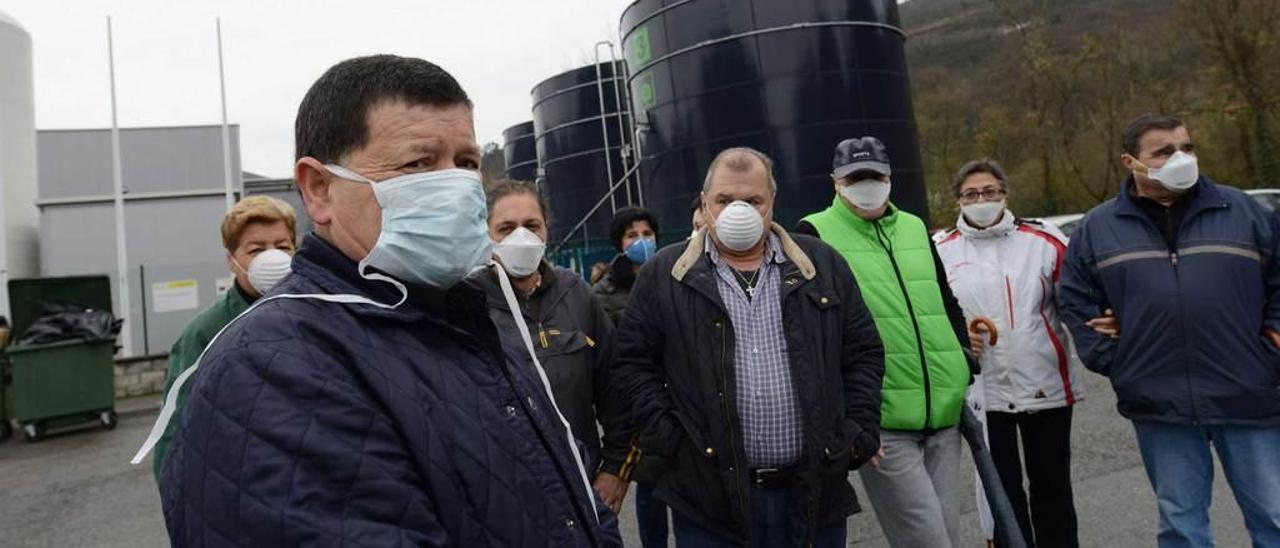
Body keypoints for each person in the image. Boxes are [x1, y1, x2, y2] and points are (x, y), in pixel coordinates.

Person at [150, 55, 621, 547]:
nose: (457, 187)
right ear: (320, 189)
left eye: (466, 164)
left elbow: (569, 497)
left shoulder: (471, 318)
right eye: (418, 164)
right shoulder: (273, 366)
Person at [614, 147, 885, 547]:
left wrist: (857, 431)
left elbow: (862, 352)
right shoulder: (665, 275)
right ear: (704, 205)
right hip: (709, 505)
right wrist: (670, 438)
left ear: (772, 204)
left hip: (813, 494)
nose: (737, 211)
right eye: (724, 200)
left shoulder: (822, 265)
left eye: (752, 201)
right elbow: (633, 364)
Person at [1059, 113, 1280, 548]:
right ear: (1130, 162)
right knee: (1182, 525)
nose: (1181, 158)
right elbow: (1074, 299)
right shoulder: (1098, 228)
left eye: (1187, 147)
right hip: (1159, 402)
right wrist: (1116, 361)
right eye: (1164, 151)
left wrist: (1271, 342)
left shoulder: (1242, 210)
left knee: (1273, 516)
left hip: (1247, 391)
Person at [794, 136, 974, 548]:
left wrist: (963, 357)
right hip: (884, 418)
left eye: (874, 175)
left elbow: (944, 301)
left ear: (889, 177)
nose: (866, 184)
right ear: (835, 182)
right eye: (854, 177)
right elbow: (812, 332)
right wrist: (850, 417)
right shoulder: (814, 232)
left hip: (943, 410)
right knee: (928, 542)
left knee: (947, 532)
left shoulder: (913, 227)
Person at [933, 158, 1080, 548]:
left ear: (1005, 194)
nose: (982, 199)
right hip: (983, 391)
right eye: (971, 193)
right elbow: (930, 315)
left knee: (1053, 488)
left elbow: (1080, 301)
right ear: (958, 201)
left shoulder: (1045, 241)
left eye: (990, 191)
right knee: (1002, 492)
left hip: (1044, 383)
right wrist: (956, 336)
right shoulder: (938, 250)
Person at [470, 179, 634, 515]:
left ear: (547, 230)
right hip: (503, 503)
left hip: (582, 493)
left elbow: (618, 389)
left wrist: (616, 470)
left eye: (531, 225)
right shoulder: (464, 302)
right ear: (486, 234)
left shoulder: (577, 294)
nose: (521, 237)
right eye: (506, 228)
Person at [151, 195, 297, 482]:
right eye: (255, 250)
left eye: (282, 246)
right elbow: (177, 426)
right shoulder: (207, 331)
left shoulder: (319, 313)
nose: (273, 257)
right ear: (231, 261)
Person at [592, 206, 660, 324]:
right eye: (632, 235)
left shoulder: (670, 279)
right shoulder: (604, 293)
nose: (642, 240)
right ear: (620, 243)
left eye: (647, 233)